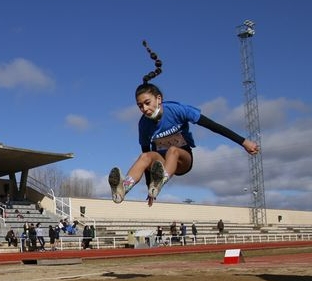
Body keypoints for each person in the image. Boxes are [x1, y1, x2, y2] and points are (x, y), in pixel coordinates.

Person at [108, 41, 259, 206]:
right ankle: (123, 188)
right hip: (161, 163)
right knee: (145, 156)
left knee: (173, 150)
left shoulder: (177, 110)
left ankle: (160, 182)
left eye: (147, 103)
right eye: (140, 106)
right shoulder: (143, 124)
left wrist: (243, 142)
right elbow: (146, 158)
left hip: (182, 160)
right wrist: (148, 187)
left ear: (159, 99)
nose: (144, 109)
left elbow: (214, 127)